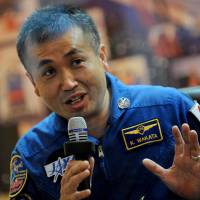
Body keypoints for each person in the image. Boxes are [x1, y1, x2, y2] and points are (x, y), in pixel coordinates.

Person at [9, 4, 200, 200]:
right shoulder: (30, 154)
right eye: (49, 72)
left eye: (76, 62)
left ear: (101, 57)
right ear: (34, 83)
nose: (68, 83)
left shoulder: (170, 109)